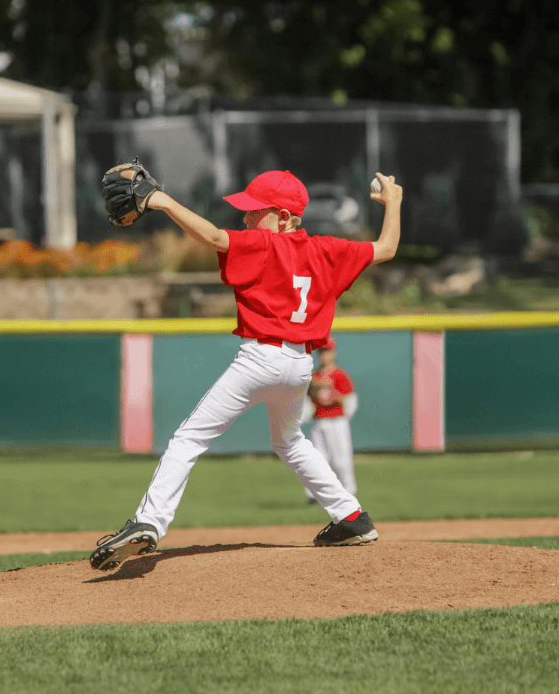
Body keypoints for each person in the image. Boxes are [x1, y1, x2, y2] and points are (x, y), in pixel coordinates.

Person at [91, 169, 403, 571]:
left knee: (188, 438)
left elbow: (214, 237)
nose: (247, 219)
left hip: (260, 360)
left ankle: (149, 522)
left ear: (285, 218)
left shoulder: (265, 245)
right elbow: (387, 248)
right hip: (299, 366)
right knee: (289, 441)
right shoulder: (329, 249)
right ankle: (351, 517)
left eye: (256, 212)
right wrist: (392, 202)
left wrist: (164, 202)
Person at [301, 337, 359, 503]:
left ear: (333, 352)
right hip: (319, 421)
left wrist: (334, 394)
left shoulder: (339, 375)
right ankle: (314, 495)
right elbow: (308, 403)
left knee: (341, 459)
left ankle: (349, 491)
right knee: (317, 460)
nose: (324, 355)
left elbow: (350, 401)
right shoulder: (314, 376)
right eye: (321, 352)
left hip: (337, 421)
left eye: (327, 351)